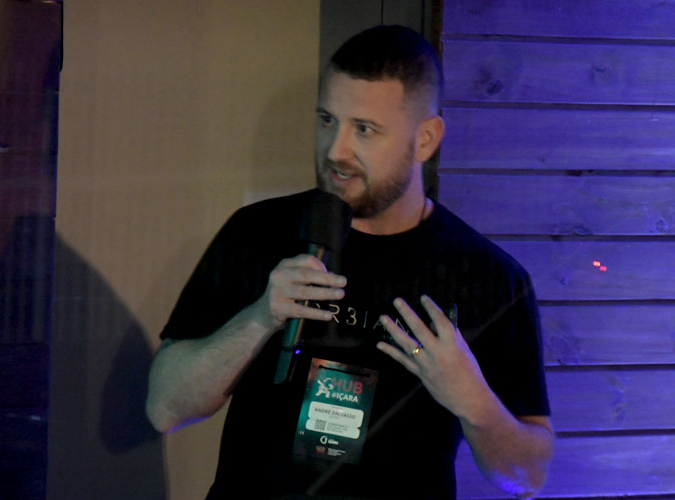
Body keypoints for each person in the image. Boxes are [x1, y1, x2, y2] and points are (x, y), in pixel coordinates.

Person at [146, 25, 554, 499]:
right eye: (327, 120)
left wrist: (475, 402)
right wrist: (259, 320)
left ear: (425, 139)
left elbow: (528, 476)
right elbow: (164, 407)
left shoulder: (490, 277)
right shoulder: (258, 233)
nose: (335, 151)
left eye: (364, 129)